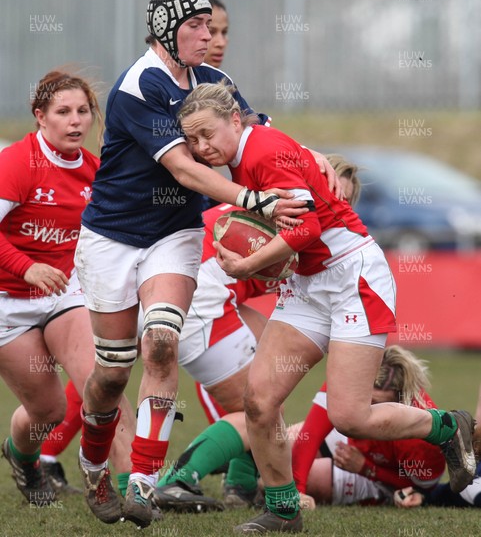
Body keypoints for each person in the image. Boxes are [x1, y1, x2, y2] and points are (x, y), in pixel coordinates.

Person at [176, 80, 476, 534]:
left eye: (207, 135)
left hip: (352, 277)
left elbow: (308, 229)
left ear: (235, 120)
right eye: (192, 140)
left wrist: (250, 264)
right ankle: (282, 508)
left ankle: (446, 427)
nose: (201, 147)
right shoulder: (240, 157)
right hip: (309, 283)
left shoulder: (260, 153)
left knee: (349, 416)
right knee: (259, 399)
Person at [74, 0, 322, 530]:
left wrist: (312, 156)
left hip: (173, 236)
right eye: (199, 28)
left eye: (212, 28)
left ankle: (143, 482)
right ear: (167, 30)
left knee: (161, 343)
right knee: (112, 373)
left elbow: (254, 131)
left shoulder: (215, 82)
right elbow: (185, 169)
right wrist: (253, 200)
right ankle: (93, 460)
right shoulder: (138, 86)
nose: (210, 38)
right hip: (112, 239)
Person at [154, 154, 362, 512]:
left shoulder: (285, 203)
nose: (334, 204)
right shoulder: (299, 217)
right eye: (331, 192)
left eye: (342, 199)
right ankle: (178, 480)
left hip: (189, 286)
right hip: (199, 294)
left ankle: (241, 485)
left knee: (266, 387)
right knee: (260, 408)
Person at [0, 70, 135, 507]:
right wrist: (26, 268)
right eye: (63, 112)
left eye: (83, 111)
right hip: (8, 302)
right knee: (48, 412)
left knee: (107, 378)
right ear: (41, 117)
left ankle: (135, 486)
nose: (75, 121)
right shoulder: (19, 163)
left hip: (64, 294)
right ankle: (23, 458)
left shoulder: (95, 172)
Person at [291, 346, 445, 507]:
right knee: (284, 445)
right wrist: (297, 491)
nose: (366, 411)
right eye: (363, 400)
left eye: (378, 405)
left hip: (377, 475)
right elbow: (311, 434)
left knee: (308, 478)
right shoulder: (347, 380)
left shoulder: (419, 433)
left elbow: (423, 489)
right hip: (352, 440)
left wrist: (367, 468)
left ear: (400, 404)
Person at [204, 0, 229, 69]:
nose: (221, 43)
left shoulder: (223, 79)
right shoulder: (169, 79)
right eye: (211, 32)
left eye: (224, 32)